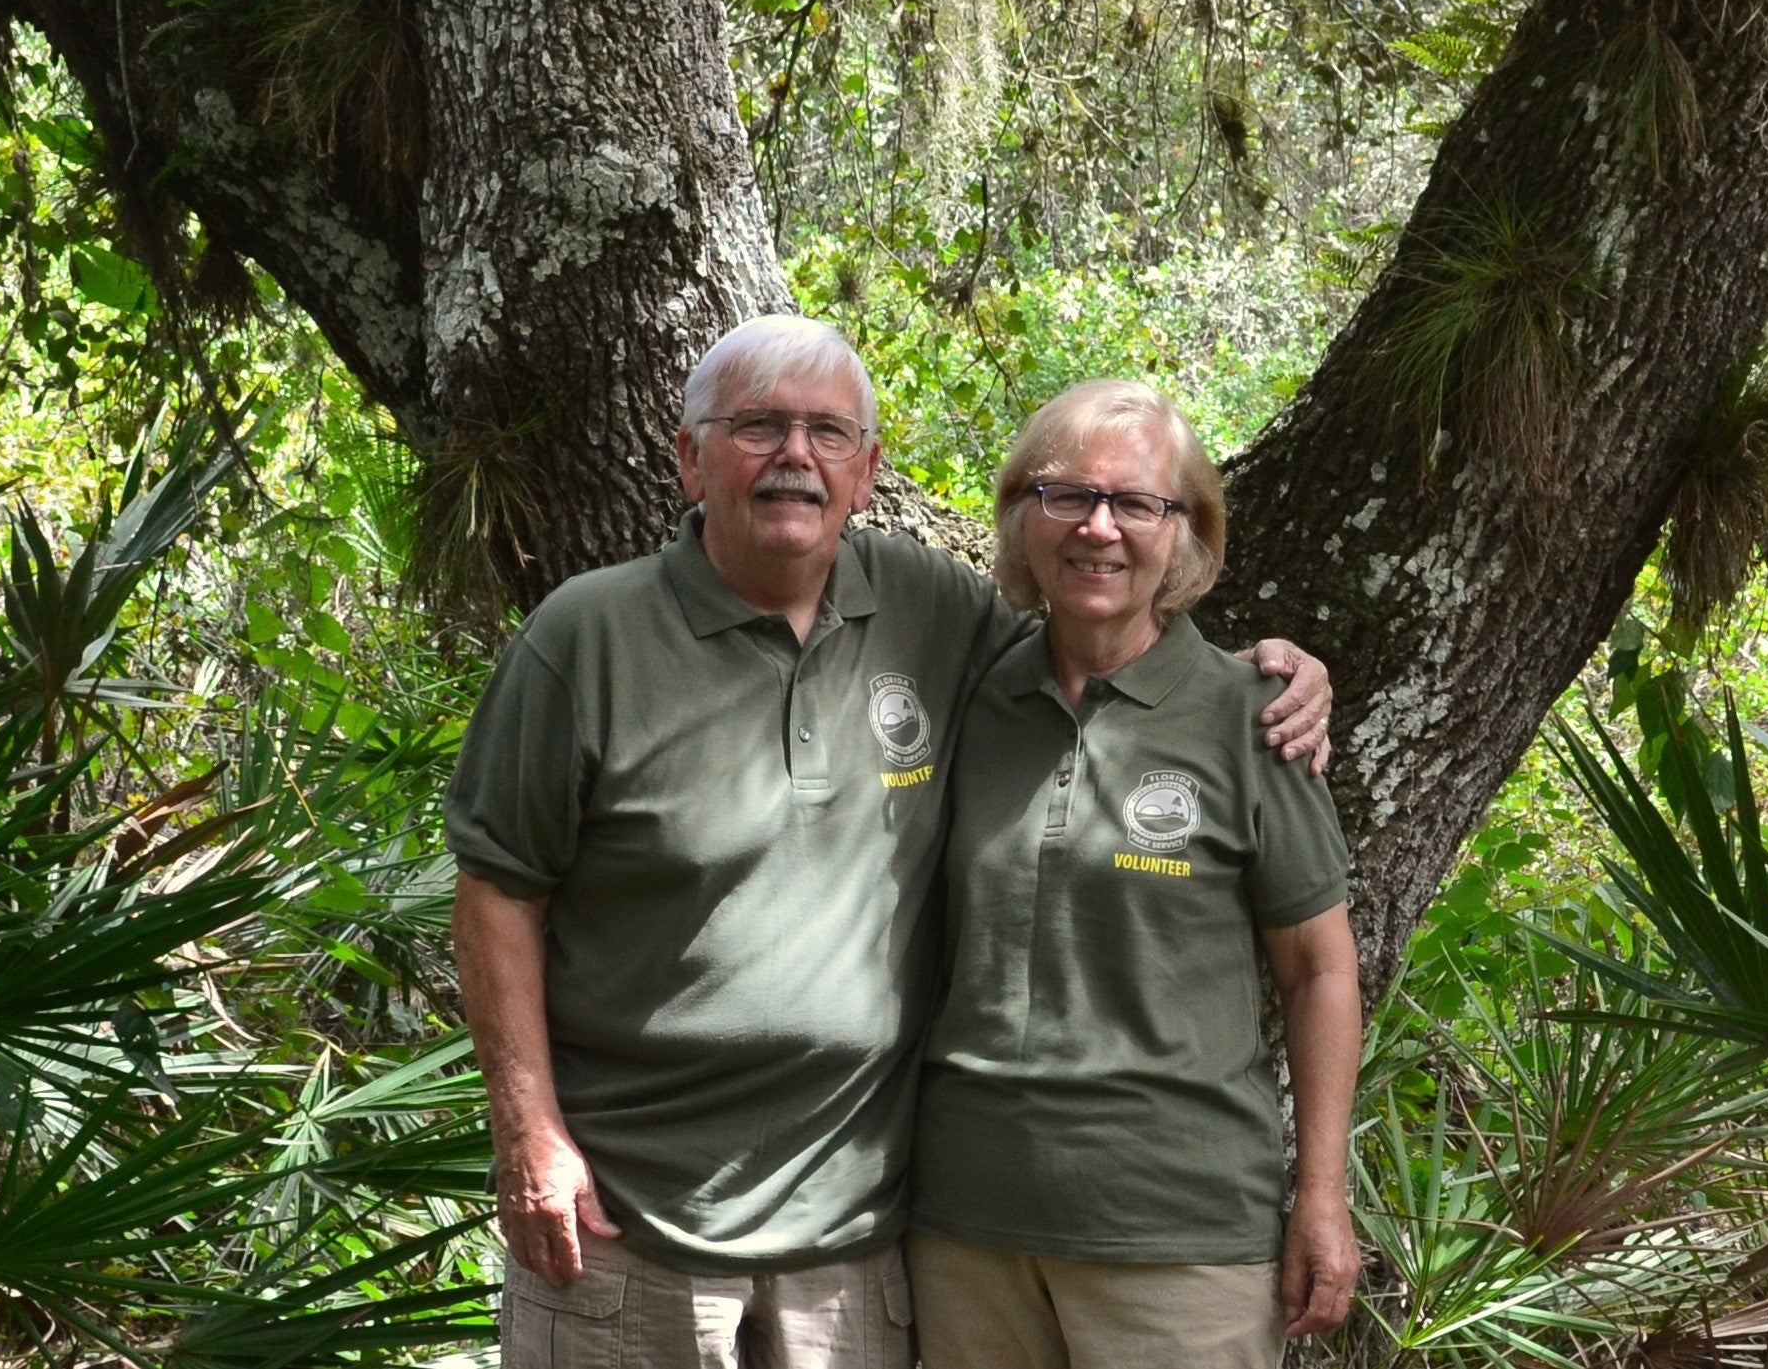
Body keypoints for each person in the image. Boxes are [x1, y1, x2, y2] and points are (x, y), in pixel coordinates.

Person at [443, 318, 1335, 1369]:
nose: (795, 456)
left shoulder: (928, 611)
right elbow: (499, 891)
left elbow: (1112, 651)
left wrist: (1253, 676)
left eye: (828, 432)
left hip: (859, 1248)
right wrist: (527, 1131)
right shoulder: (582, 637)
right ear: (688, 455)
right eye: (758, 426)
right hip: (632, 1224)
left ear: (866, 471)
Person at [909, 379, 1363, 1369]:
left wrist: (1320, 1195)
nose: (1099, 528)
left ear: (1185, 534)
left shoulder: (1252, 715)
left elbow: (1320, 971)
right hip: (963, 1228)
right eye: (1066, 495)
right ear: (1022, 517)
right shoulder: (967, 697)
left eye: (1138, 503)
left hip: (1178, 1236)